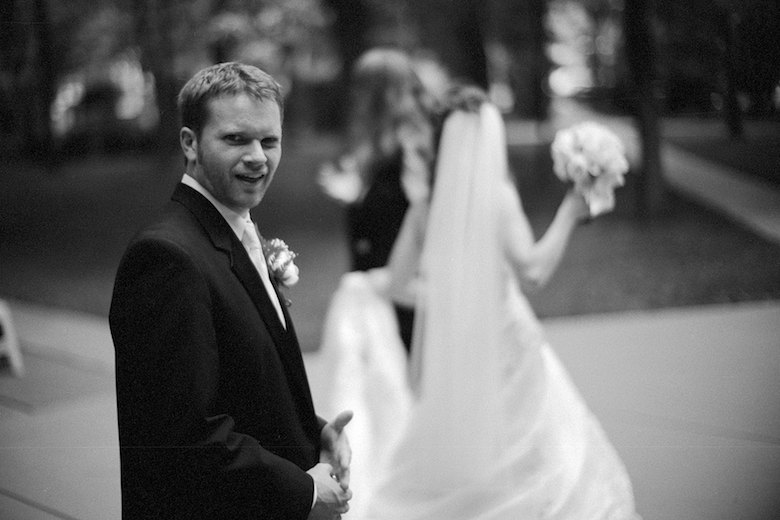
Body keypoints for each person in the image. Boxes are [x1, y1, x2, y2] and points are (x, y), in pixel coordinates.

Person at [320, 99, 641, 518]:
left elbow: (397, 286)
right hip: (509, 345)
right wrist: (568, 212)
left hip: (457, 351)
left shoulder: (424, 207)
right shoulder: (498, 198)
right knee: (534, 448)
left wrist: (450, 300)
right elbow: (534, 273)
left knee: (461, 447)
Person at [109, 62, 352, 520]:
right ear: (190, 143)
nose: (258, 156)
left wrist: (312, 431)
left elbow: (240, 384)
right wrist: (304, 491)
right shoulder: (166, 259)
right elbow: (183, 436)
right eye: (236, 139)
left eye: (269, 140)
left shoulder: (232, 231)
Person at [317, 47, 474, 352]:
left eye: (363, 87)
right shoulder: (381, 138)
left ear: (379, 92)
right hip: (376, 280)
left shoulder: (412, 139)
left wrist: (360, 194)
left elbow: (426, 210)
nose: (356, 96)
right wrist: (356, 193)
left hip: (401, 284)